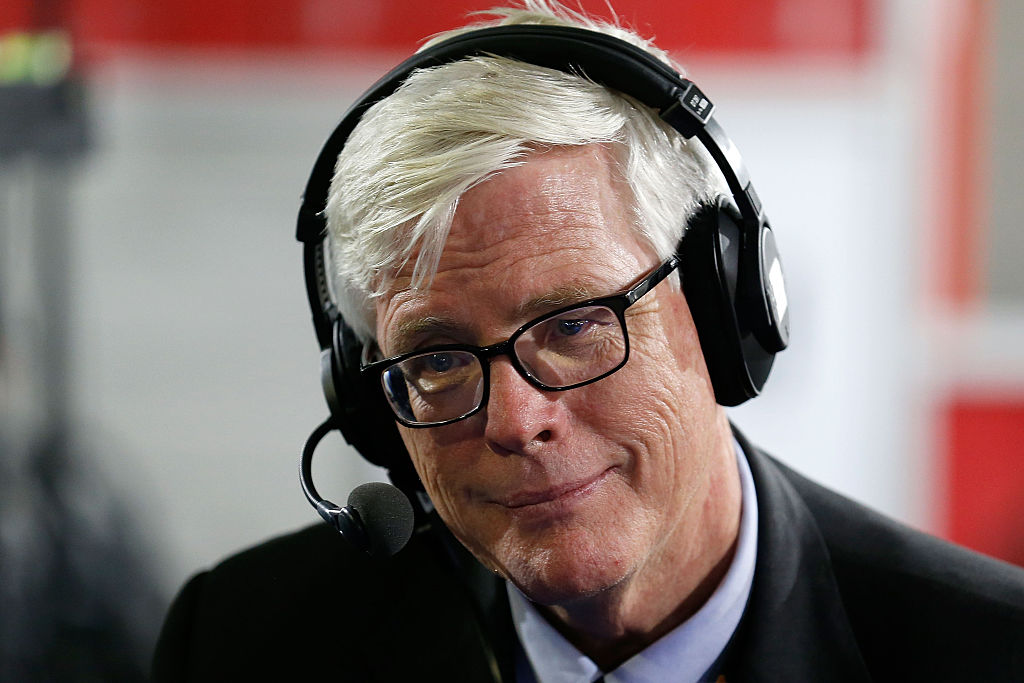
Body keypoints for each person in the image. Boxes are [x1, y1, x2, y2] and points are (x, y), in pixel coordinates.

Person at [152, 2, 1024, 680]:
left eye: (572, 324)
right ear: (370, 408)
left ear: (724, 312)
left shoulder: (986, 653)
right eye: (440, 358)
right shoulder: (242, 644)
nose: (517, 420)